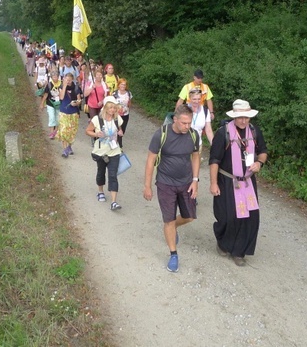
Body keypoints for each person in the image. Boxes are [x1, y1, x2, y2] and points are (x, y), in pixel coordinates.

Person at [209, 99, 268, 267]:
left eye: (247, 117)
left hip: (248, 181)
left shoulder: (255, 131)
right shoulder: (223, 134)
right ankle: (223, 242)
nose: (244, 121)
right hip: (227, 180)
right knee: (227, 217)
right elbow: (214, 160)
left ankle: (239, 252)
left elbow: (263, 151)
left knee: (250, 218)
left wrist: (259, 163)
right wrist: (213, 183)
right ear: (234, 116)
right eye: (241, 117)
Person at [143, 105, 201, 273]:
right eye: (184, 123)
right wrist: (147, 186)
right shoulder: (161, 134)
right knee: (168, 220)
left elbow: (196, 156)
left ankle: (172, 227)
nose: (187, 126)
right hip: (165, 183)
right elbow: (150, 161)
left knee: (189, 216)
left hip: (186, 182)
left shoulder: (193, 135)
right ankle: (173, 254)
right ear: (175, 119)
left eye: (189, 123)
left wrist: (195, 180)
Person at [85, 96, 125, 210]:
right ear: (106, 108)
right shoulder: (97, 119)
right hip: (101, 152)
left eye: (114, 108)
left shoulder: (117, 119)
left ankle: (114, 202)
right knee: (101, 172)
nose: (113, 110)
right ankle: (100, 191)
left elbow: (119, 129)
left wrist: (120, 132)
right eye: (111, 107)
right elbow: (87, 131)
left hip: (114, 151)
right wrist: (96, 134)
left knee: (113, 175)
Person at [58, 72, 83, 158]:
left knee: (72, 132)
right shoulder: (61, 87)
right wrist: (64, 86)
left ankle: (69, 146)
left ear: (72, 80)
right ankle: (65, 150)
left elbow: (79, 100)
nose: (68, 81)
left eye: (69, 80)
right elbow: (61, 97)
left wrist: (76, 103)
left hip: (73, 113)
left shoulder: (76, 88)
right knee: (64, 131)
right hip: (64, 112)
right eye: (66, 80)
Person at [39, 70, 63, 139]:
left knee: (58, 118)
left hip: (59, 103)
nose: (55, 78)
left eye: (56, 76)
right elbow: (45, 95)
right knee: (52, 117)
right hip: (50, 103)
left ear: (58, 77)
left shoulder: (61, 84)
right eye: (53, 77)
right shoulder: (49, 85)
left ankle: (56, 131)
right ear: (51, 77)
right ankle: (51, 132)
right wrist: (42, 104)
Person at [112, 79, 133, 148]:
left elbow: (130, 104)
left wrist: (126, 108)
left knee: (122, 130)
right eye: (122, 84)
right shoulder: (115, 94)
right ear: (118, 85)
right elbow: (111, 104)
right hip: (116, 115)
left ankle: (117, 142)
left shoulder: (128, 93)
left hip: (125, 114)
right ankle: (119, 145)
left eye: (124, 84)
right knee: (117, 129)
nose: (123, 86)